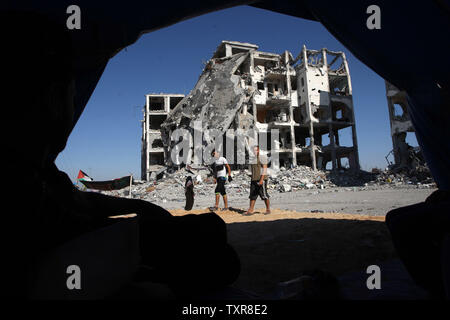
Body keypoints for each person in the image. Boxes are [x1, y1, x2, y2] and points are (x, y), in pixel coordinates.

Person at [246, 146, 271, 215]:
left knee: (264, 195)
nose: (255, 152)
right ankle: (250, 210)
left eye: (256, 150)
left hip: (261, 179)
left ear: (259, 150)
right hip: (254, 179)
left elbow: (264, 169)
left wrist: (261, 180)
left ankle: (268, 209)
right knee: (252, 195)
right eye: (253, 150)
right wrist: (251, 176)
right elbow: (252, 170)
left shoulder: (262, 157)